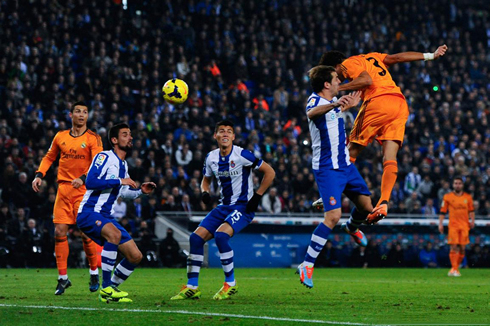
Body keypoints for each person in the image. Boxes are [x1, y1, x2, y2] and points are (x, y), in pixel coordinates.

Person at [312, 45, 448, 224]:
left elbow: (367, 80)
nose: (335, 79)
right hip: (399, 104)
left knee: (350, 151)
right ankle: (383, 202)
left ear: (335, 67)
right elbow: (398, 57)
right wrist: (430, 55)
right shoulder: (373, 57)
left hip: (378, 102)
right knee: (389, 158)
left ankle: (332, 192)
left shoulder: (346, 64)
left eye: (334, 75)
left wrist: (340, 89)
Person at [171, 120, 275, 300]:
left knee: (221, 236)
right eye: (221, 131)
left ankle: (230, 284)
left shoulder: (242, 154)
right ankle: (192, 287)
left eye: (229, 131)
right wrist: (204, 192)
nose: (225, 134)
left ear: (233, 137)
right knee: (195, 238)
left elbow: (270, 172)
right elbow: (206, 180)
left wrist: (257, 197)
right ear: (215, 136)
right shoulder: (211, 157)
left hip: (243, 207)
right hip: (223, 207)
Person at [297, 65, 373, 289]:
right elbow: (311, 114)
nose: (340, 83)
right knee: (332, 217)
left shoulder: (334, 104)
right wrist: (336, 104)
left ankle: (351, 228)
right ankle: (307, 265)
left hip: (345, 165)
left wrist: (347, 106)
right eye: (336, 80)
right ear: (326, 85)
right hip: (328, 168)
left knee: (367, 207)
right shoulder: (315, 101)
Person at [76, 123, 156, 302]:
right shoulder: (104, 156)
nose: (130, 138)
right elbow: (91, 182)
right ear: (114, 140)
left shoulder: (124, 165)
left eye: (130, 134)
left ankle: (110, 290)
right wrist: (120, 180)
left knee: (135, 256)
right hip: (89, 212)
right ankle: (105, 288)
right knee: (114, 234)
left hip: (105, 216)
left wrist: (141, 191)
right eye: (125, 134)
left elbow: (122, 193)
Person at [31, 101, 103, 295]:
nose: (81, 115)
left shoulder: (93, 138)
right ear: (71, 115)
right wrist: (39, 175)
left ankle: (94, 272)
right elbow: (49, 157)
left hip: (84, 191)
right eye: (78, 111)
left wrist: (83, 178)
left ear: (87, 116)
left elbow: (98, 164)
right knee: (59, 231)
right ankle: (63, 279)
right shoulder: (60, 136)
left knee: (86, 233)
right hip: (63, 189)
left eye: (85, 112)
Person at [438, 177, 475, 277]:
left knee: (462, 248)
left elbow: (471, 210)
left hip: (464, 226)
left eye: (459, 183)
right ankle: (455, 269)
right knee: (453, 246)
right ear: (453, 185)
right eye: (455, 183)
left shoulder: (468, 197)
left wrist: (472, 221)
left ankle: (454, 269)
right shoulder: (447, 197)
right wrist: (440, 224)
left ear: (462, 185)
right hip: (453, 226)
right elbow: (442, 211)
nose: (457, 185)